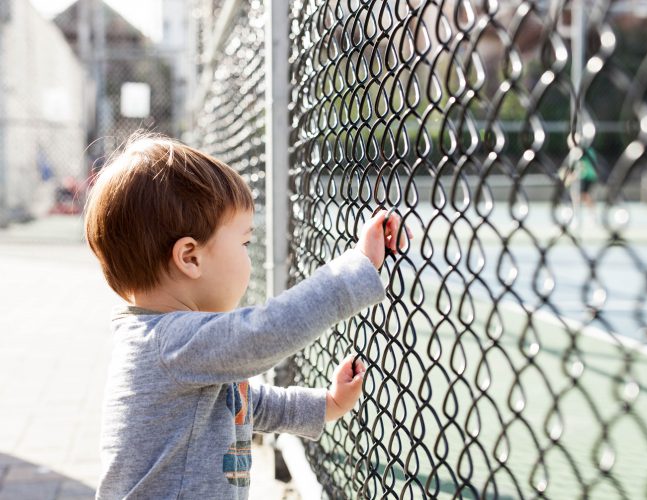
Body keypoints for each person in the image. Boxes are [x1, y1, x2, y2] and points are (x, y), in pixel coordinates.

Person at [83, 133, 412, 499]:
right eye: (244, 243)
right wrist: (358, 268)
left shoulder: (170, 344)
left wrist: (325, 404)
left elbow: (242, 403)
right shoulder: (169, 342)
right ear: (190, 258)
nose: (248, 256)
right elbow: (265, 333)